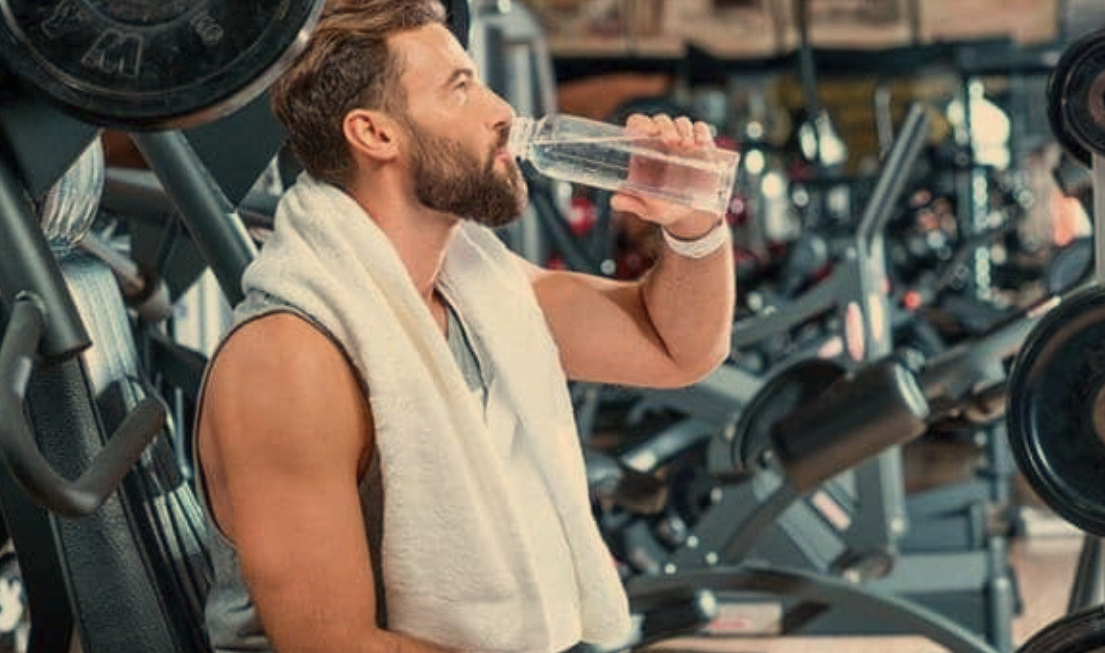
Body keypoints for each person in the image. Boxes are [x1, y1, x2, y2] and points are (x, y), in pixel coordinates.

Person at [192, 0, 735, 651]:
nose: (501, 111)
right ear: (375, 134)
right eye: (461, 88)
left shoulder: (479, 291)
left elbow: (676, 347)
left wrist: (693, 224)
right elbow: (334, 648)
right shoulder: (289, 361)